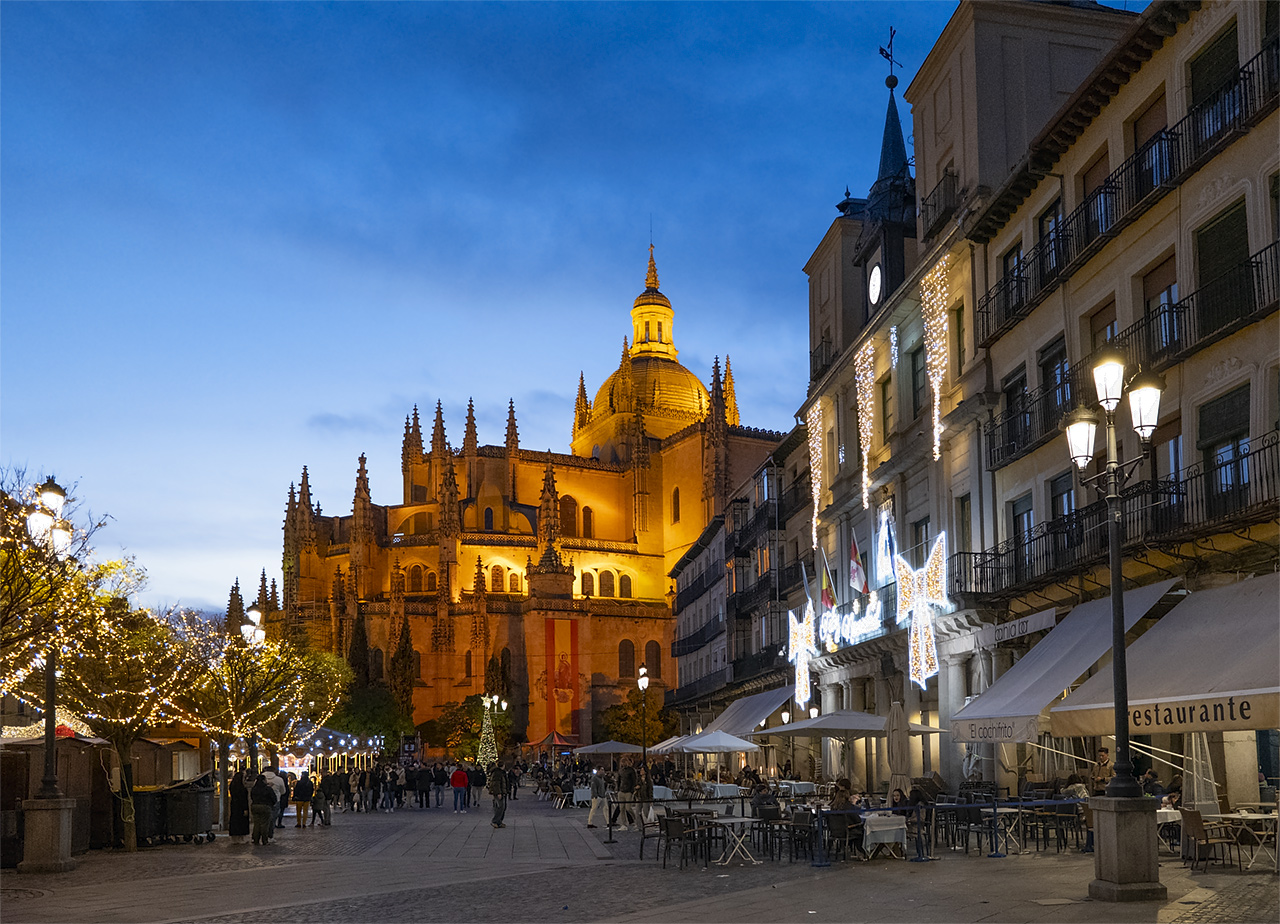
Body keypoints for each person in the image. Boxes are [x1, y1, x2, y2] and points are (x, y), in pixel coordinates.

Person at [249, 773, 277, 846]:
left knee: (257, 823)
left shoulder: (254, 789)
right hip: (265, 806)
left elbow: (251, 797)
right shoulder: (268, 789)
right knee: (265, 824)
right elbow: (274, 798)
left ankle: (256, 839)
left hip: (255, 806)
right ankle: (265, 840)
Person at [610, 758, 637, 830]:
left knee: (628, 808)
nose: (623, 763)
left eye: (624, 762)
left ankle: (636, 820)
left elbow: (634, 781)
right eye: (622, 762)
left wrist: (632, 790)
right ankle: (624, 824)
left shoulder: (631, 770)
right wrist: (618, 789)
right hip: (621, 791)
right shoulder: (620, 770)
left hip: (628, 791)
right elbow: (618, 780)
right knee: (621, 808)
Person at [228, 770, 250, 844]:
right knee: (242, 822)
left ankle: (235, 838)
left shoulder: (232, 786)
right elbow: (243, 799)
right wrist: (245, 808)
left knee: (235, 821)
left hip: (234, 805)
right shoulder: (242, 788)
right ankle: (241, 838)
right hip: (241, 806)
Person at [489, 761, 510, 828]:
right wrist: (498, 792)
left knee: (503, 807)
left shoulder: (502, 772)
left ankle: (499, 821)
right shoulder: (497, 773)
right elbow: (496, 784)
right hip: (499, 792)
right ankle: (495, 821)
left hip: (503, 791)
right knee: (500, 807)